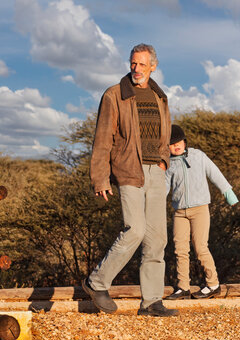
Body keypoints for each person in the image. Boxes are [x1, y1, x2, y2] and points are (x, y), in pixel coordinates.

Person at [82, 44, 178, 317]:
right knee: (134, 230)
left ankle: (151, 302)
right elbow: (102, 139)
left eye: (141, 64)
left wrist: (163, 162)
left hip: (156, 173)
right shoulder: (115, 95)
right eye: (132, 63)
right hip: (129, 172)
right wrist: (100, 178)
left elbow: (165, 133)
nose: (136, 69)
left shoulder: (161, 97)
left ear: (153, 67)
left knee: (157, 239)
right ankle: (96, 282)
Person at [164, 124, 238, 300]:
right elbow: (163, 189)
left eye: (178, 142)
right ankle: (183, 287)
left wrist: (229, 194)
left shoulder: (198, 156)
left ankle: (213, 284)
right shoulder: (167, 165)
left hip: (200, 210)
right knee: (179, 249)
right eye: (171, 144)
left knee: (200, 247)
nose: (176, 145)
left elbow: (215, 174)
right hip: (179, 212)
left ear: (184, 141)